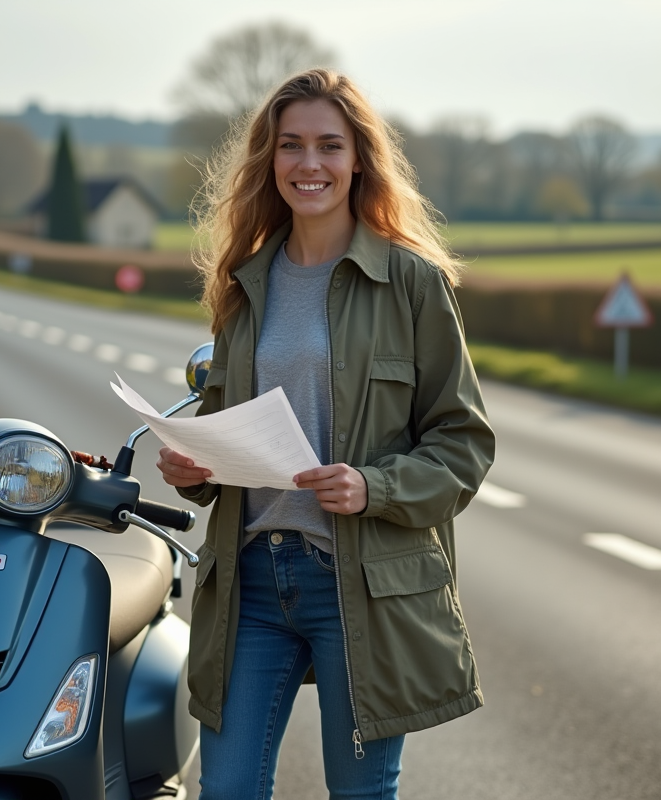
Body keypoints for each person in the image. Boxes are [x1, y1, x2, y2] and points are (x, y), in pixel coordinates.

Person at [156, 68, 496, 800]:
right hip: (250, 579)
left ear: (358, 160)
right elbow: (231, 431)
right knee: (227, 792)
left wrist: (372, 486)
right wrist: (200, 469)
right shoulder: (244, 283)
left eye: (329, 146)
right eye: (291, 146)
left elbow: (463, 443)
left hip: (361, 584)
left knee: (361, 795)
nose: (309, 164)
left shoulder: (411, 282)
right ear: (269, 160)